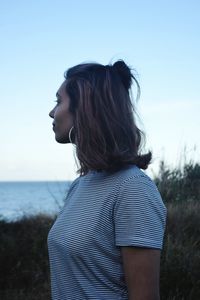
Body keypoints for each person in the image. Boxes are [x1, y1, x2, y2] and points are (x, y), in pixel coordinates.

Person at [48, 60, 167, 300]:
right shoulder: (80, 186)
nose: (52, 112)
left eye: (58, 101)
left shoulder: (133, 189)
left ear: (86, 108)